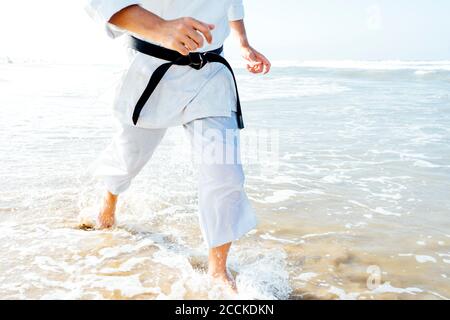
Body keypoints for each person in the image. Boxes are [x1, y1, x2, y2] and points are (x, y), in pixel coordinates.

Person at [83, 0, 271, 291]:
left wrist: (243, 44)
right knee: (129, 157)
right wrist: (161, 28)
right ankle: (108, 204)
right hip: (150, 67)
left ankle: (218, 270)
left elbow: (232, 3)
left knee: (224, 173)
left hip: (209, 74)